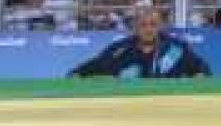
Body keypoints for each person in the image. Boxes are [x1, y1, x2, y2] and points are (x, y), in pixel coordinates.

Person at [69, 7, 211, 79]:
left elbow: (202, 69)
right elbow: (85, 69)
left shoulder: (176, 48)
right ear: (135, 27)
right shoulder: (119, 49)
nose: (148, 29)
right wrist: (76, 75)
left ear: (161, 26)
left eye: (153, 24)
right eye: (143, 25)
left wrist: (200, 76)